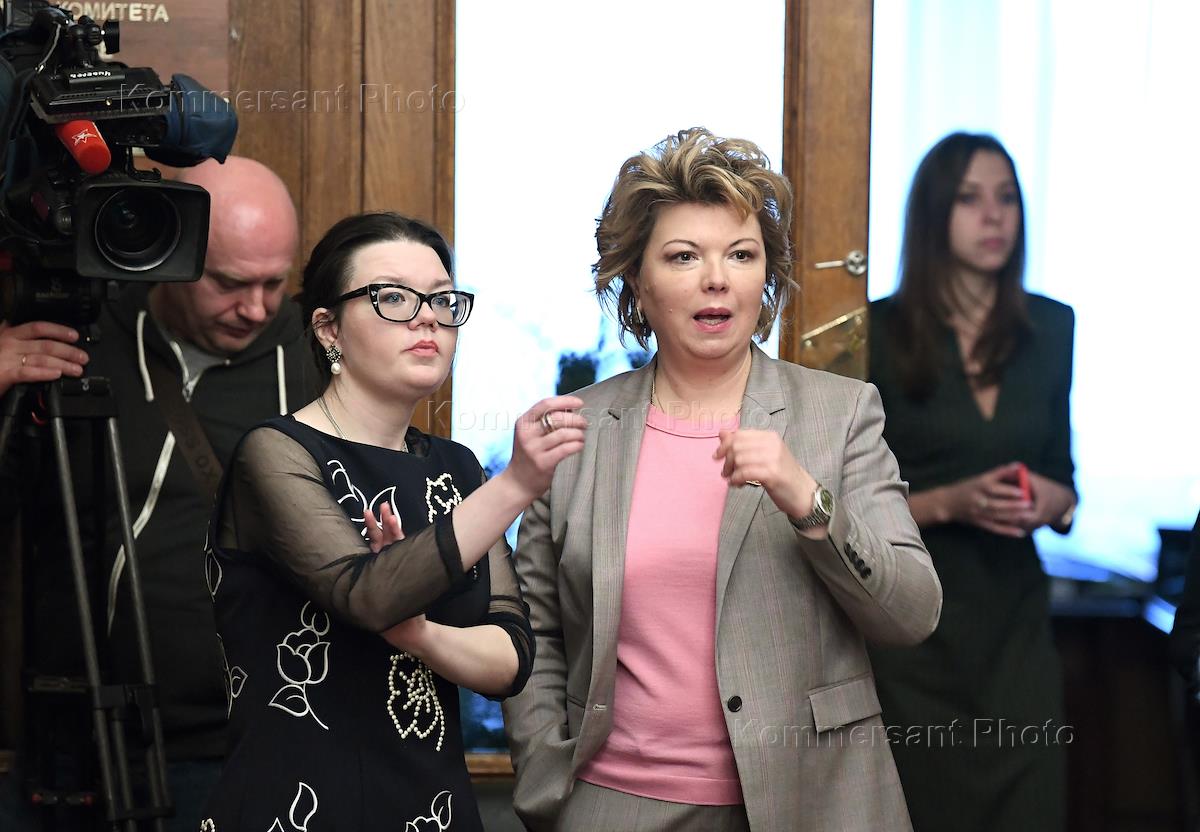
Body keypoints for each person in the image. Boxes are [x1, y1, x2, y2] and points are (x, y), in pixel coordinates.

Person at [501, 128, 943, 832]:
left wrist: (809, 500)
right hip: (612, 804)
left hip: (811, 802)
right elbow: (535, 628)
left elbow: (912, 613)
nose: (717, 278)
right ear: (637, 283)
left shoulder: (840, 413)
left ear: (765, 277)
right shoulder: (577, 429)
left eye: (741, 254)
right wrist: (542, 772)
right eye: (684, 256)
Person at [199, 211, 585, 831]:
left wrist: (423, 637)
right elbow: (368, 594)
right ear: (329, 328)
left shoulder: (456, 468)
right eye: (394, 298)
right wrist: (516, 484)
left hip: (429, 805)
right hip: (296, 807)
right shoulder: (274, 453)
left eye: (441, 300)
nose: (427, 318)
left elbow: (512, 656)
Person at [0, 156, 314, 830]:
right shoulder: (82, 338)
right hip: (77, 751)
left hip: (260, 746)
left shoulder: (321, 359)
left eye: (274, 283)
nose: (256, 308)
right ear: (175, 253)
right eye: (230, 283)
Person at [866, 132, 1078, 831]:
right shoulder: (877, 331)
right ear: (934, 214)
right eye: (970, 199)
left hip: (1015, 629)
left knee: (1032, 808)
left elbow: (1064, 482)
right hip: (917, 631)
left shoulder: (1051, 326)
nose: (995, 216)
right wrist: (950, 502)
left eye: (1007, 198)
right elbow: (845, 506)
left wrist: (1051, 501)